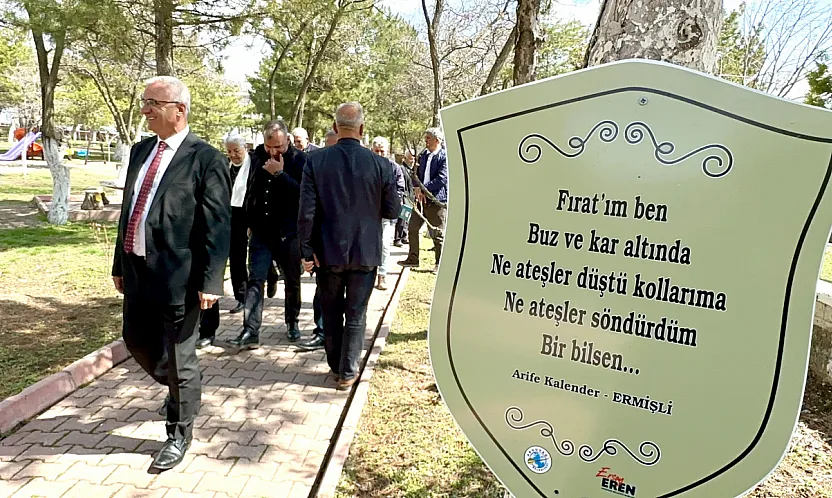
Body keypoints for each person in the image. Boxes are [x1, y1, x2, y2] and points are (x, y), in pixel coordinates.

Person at [112, 76, 230, 470]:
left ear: (179, 109)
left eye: (153, 103)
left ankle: (178, 432)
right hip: (139, 270)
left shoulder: (206, 158)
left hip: (182, 277)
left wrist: (212, 281)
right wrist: (119, 262)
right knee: (137, 341)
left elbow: (218, 225)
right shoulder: (140, 151)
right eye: (144, 101)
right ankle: (185, 390)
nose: (145, 109)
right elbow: (130, 211)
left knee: (181, 356)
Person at [298, 102, 400, 390]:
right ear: (362, 130)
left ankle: (335, 364)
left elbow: (306, 212)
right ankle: (348, 370)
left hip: (328, 251)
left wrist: (306, 250)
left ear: (334, 128)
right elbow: (392, 211)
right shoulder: (382, 164)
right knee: (356, 312)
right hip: (365, 250)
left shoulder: (315, 161)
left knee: (330, 311)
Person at [228, 120, 307, 348]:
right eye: (269, 146)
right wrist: (249, 220)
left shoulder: (300, 161)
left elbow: (304, 196)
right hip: (261, 232)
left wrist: (280, 174)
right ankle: (250, 330)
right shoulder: (255, 158)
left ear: (288, 141)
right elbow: (248, 189)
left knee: (292, 280)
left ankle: (292, 322)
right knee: (255, 279)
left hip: (288, 233)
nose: (273, 151)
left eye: (278, 147)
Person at [196, 133, 251, 348]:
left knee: (237, 261)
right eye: (229, 151)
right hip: (217, 220)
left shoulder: (252, 165)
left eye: (236, 150)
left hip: (241, 219)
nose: (233, 155)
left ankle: (242, 297)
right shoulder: (220, 166)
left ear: (244, 147)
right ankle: (202, 328)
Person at [398, 128, 447, 273]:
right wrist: (416, 188)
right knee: (412, 228)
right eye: (425, 138)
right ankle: (413, 259)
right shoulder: (423, 155)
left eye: (428, 138)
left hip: (435, 201)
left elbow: (442, 178)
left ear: (437, 140)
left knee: (437, 234)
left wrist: (424, 189)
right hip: (420, 200)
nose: (425, 141)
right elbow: (415, 174)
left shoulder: (444, 157)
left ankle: (439, 264)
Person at [371, 137, 405, 290]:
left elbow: (400, 189)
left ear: (387, 152)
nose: (379, 154)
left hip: (386, 215)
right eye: (376, 151)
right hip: (368, 214)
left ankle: (382, 276)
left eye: (382, 151)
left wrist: (390, 204)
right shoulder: (366, 165)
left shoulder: (395, 168)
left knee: (384, 245)